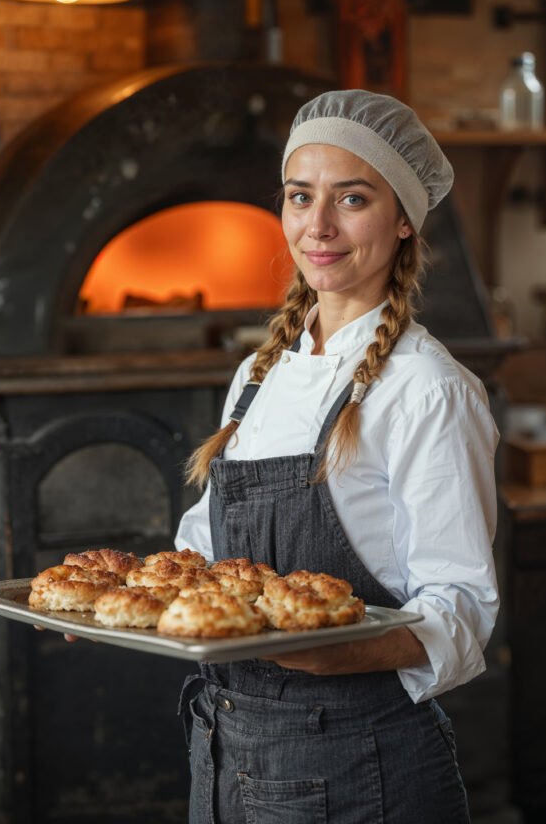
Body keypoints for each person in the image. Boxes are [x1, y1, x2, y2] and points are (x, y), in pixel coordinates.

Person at [176, 89, 499, 824]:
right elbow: (202, 548)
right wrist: (137, 606)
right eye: (299, 196)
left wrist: (333, 652)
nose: (316, 225)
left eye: (351, 199)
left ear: (404, 220)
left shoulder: (427, 388)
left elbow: (461, 609)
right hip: (226, 748)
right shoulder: (259, 373)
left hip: (359, 771)